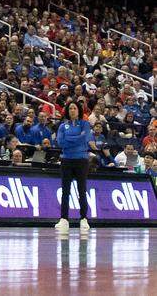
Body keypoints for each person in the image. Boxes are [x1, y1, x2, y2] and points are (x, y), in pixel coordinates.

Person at [54, 101, 92, 235]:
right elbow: (60, 142)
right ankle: (64, 218)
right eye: (70, 108)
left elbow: (85, 138)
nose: (72, 110)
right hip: (66, 160)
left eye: (74, 108)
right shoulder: (62, 126)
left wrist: (70, 139)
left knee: (82, 190)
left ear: (79, 110)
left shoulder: (85, 124)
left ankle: (83, 219)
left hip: (81, 160)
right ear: (67, 111)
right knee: (65, 191)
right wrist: (77, 138)